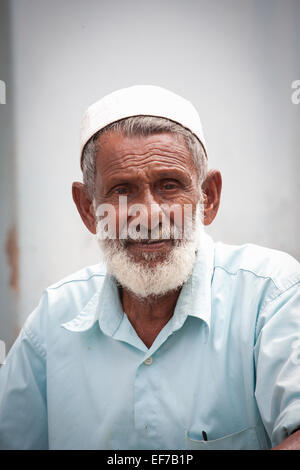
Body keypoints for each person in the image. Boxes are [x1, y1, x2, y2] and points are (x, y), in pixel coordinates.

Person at [0, 85, 299, 450]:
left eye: (169, 186)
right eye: (122, 190)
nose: (149, 215)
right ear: (88, 208)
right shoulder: (53, 321)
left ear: (209, 197)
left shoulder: (271, 294)